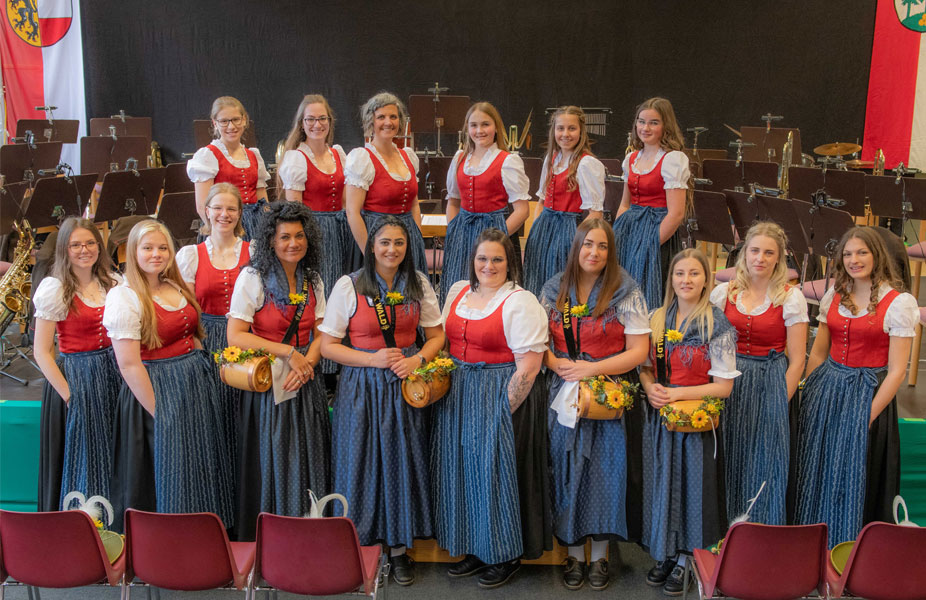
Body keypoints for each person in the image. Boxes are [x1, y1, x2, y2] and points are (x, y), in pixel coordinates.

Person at [320, 216, 445, 586]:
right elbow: (329, 346)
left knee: (400, 461)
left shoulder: (419, 283)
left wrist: (417, 358)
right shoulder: (348, 285)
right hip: (361, 384)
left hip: (405, 382)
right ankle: (358, 546)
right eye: (385, 242)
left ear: (409, 247)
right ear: (371, 245)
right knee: (358, 460)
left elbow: (436, 336)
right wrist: (372, 359)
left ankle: (398, 549)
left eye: (400, 243)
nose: (392, 249)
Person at [432, 228, 550, 589]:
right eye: (482, 258)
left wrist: (502, 410)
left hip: (500, 394)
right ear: (473, 260)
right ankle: (475, 547)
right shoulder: (458, 292)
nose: (489, 265)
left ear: (510, 262)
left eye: (497, 259)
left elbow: (529, 367)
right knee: (465, 470)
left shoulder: (520, 301)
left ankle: (504, 553)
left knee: (495, 472)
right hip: (459, 394)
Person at [540, 219, 649, 591]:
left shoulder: (625, 290)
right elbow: (539, 345)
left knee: (606, 473)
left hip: (608, 393)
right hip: (563, 392)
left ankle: (600, 556)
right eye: (588, 244)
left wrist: (593, 369)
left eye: (602, 247)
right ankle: (571, 551)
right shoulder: (554, 288)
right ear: (576, 247)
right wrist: (557, 365)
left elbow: (638, 352)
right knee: (565, 468)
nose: (594, 252)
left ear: (610, 252)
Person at [104, 220, 234, 532]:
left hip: (193, 383)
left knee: (198, 462)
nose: (156, 254)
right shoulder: (125, 297)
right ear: (132, 252)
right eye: (147, 248)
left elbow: (194, 333)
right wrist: (160, 413)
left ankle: (206, 532)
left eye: (162, 248)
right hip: (158, 389)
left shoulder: (173, 285)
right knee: (171, 469)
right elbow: (129, 365)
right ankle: (173, 542)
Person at [795, 226, 917, 548]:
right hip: (828, 389)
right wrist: (809, 391)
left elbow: (896, 372)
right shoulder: (835, 295)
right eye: (847, 254)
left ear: (877, 255)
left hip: (868, 395)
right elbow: (819, 351)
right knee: (817, 466)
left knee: (854, 476)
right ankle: (812, 541)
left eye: (861, 252)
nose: (853, 260)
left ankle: (850, 548)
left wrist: (867, 416)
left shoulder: (898, 303)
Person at [226, 201, 330, 541]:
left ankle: (307, 532)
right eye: (285, 236)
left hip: (303, 380)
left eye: (300, 236)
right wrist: (289, 353)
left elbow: (322, 333)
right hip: (266, 382)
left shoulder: (312, 279)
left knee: (307, 453)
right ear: (271, 240)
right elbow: (236, 335)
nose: (293, 243)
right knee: (273, 458)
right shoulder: (252, 278)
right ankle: (272, 537)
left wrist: (307, 364)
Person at [639, 248, 739, 596]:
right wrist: (650, 387)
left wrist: (677, 394)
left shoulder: (717, 323)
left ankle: (686, 559)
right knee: (663, 484)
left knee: (693, 490)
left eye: (694, 274)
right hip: (661, 418)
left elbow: (724, 386)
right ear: (671, 279)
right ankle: (667, 551)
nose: (686, 280)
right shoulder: (657, 318)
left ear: (706, 280)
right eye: (680, 273)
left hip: (696, 422)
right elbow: (646, 366)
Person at [709, 222, 807, 526]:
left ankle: (760, 535)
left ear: (779, 258)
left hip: (770, 381)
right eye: (755, 251)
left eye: (768, 252)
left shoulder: (790, 298)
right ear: (744, 253)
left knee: (764, 461)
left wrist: (781, 400)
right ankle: (723, 532)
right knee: (728, 455)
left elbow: (798, 360)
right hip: (729, 380)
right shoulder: (723, 293)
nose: (760, 258)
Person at [33, 218, 121, 512]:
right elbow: (42, 352)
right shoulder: (55, 289)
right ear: (65, 250)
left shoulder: (113, 282)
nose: (84, 250)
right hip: (76, 376)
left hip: (113, 375)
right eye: (76, 245)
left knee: (112, 449)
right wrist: (69, 393)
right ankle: (85, 526)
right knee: (84, 452)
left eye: (90, 243)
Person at [176, 182, 249, 492]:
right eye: (217, 208)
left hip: (245, 341)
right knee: (211, 419)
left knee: (241, 418)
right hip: (205, 341)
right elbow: (186, 310)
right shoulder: (191, 255)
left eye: (231, 208)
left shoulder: (254, 250)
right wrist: (195, 350)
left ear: (239, 213)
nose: (224, 214)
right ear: (206, 211)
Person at [440, 101, 530, 303]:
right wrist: (454, 228)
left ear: (496, 127)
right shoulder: (460, 159)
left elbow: (522, 210)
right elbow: (453, 201)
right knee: (460, 288)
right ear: (467, 128)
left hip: (495, 231)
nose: (479, 130)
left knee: (494, 291)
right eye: (474, 125)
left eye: (485, 124)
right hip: (463, 234)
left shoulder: (507, 161)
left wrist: (498, 237)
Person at [612, 97, 691, 310]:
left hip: (657, 232)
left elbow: (676, 213)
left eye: (653, 122)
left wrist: (650, 244)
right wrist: (616, 236)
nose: (645, 128)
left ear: (666, 125)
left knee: (649, 295)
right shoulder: (632, 159)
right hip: (629, 231)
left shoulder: (673, 159)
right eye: (641, 121)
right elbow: (625, 205)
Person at [524, 106, 605, 297]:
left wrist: (579, 242)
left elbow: (595, 213)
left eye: (572, 128)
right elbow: (541, 201)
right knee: (537, 279)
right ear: (553, 130)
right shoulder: (552, 159)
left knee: (561, 282)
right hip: (545, 229)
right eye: (560, 128)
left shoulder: (586, 163)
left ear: (581, 131)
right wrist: (538, 228)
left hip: (569, 229)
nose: (565, 134)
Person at [277, 93, 353, 297]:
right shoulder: (297, 158)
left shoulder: (338, 154)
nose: (317, 124)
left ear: (329, 121)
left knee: (341, 287)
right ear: (302, 123)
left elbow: (346, 201)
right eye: (310, 119)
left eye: (322, 118)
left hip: (341, 229)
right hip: (313, 231)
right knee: (320, 289)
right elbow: (295, 210)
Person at [344, 92, 427, 274]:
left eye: (393, 117)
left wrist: (416, 237)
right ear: (371, 122)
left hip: (407, 240)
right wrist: (371, 252)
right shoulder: (362, 159)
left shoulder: (408, 157)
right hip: (376, 240)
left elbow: (414, 204)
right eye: (381, 117)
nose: (388, 122)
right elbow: (352, 212)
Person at [187, 96, 270, 240]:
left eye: (236, 119)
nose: (231, 126)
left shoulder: (253, 155)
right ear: (215, 123)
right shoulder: (208, 156)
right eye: (224, 121)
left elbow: (262, 199)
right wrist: (221, 235)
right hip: (224, 226)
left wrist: (269, 227)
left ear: (244, 120)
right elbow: (202, 206)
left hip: (256, 226)